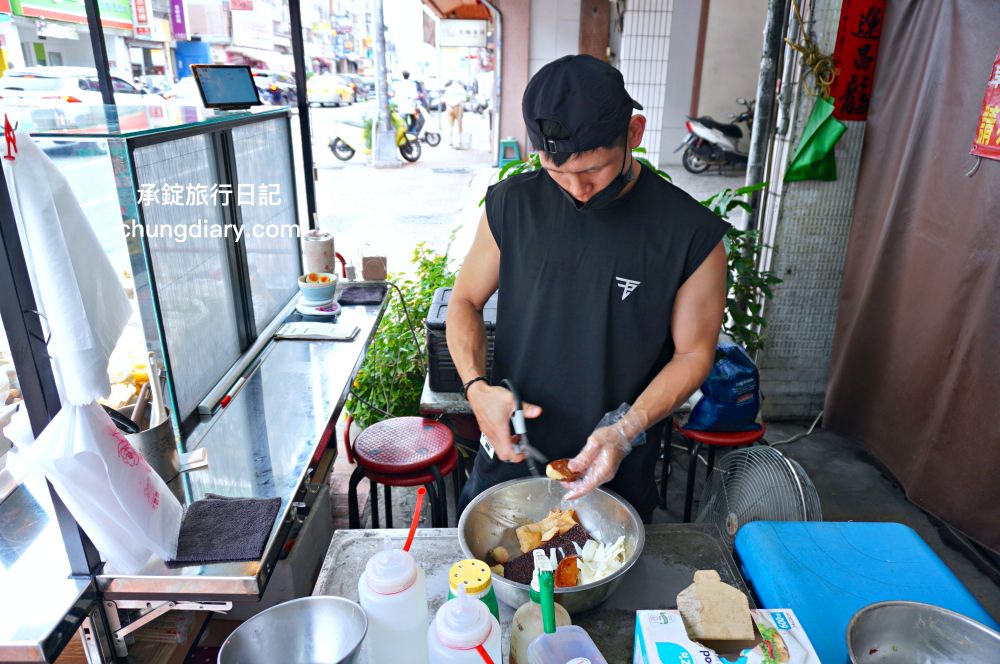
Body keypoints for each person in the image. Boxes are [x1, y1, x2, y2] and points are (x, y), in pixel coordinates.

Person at [446, 55, 729, 522]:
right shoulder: (512, 204)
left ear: (633, 134)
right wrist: (476, 389)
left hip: (614, 468)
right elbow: (465, 301)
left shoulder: (689, 234)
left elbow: (693, 355)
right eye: (558, 173)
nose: (577, 189)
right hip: (509, 456)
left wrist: (625, 429)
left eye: (593, 170)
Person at [443, 80, 467, 147]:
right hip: (458, 107)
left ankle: (450, 141)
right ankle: (460, 141)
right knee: (459, 125)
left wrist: (449, 107)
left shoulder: (449, 89)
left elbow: (445, 99)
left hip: (449, 108)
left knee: (450, 125)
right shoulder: (461, 89)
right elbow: (463, 100)